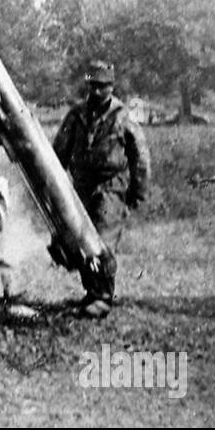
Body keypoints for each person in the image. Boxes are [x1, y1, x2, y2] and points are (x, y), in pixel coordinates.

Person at [53, 60, 151, 318]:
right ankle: (91, 291)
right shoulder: (77, 115)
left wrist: (137, 192)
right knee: (81, 237)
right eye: (93, 86)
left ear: (112, 87)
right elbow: (59, 151)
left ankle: (103, 297)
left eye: (102, 87)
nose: (96, 92)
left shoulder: (123, 116)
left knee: (103, 241)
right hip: (81, 185)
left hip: (111, 186)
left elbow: (139, 156)